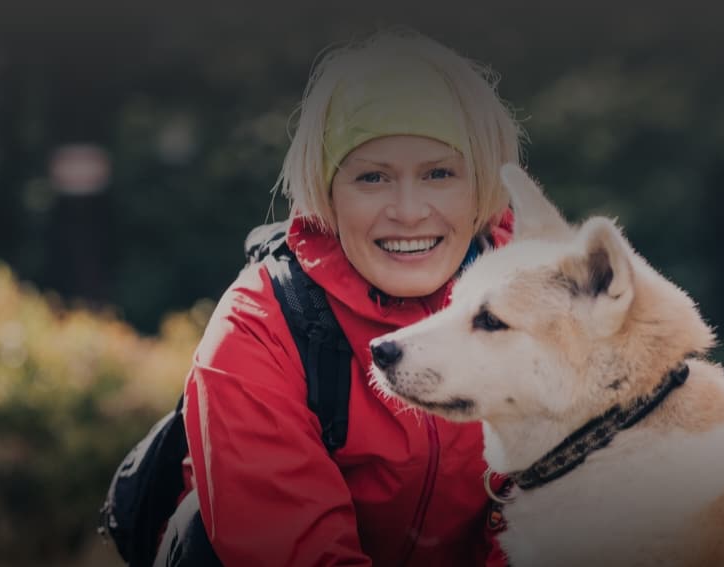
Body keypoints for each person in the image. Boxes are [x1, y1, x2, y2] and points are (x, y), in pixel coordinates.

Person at [175, 29, 523, 566]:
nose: (409, 211)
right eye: (372, 177)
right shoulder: (259, 327)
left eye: (439, 173)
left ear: (481, 186)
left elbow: (559, 521)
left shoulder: (546, 307)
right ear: (326, 195)